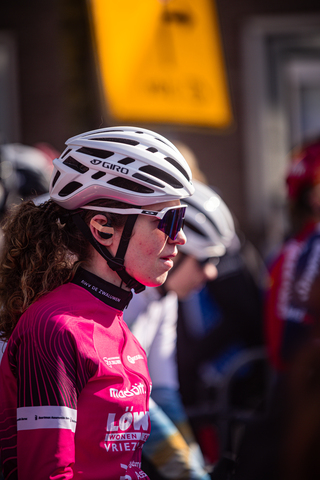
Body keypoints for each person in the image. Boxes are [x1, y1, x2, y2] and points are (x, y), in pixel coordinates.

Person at [0, 126, 194, 480]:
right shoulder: (55, 329)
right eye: (169, 220)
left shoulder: (116, 325)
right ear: (103, 228)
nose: (180, 237)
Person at [124, 180, 236, 479]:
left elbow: (163, 392)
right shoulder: (129, 296)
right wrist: (188, 471)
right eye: (206, 261)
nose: (212, 273)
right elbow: (129, 398)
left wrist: (193, 460)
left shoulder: (165, 297)